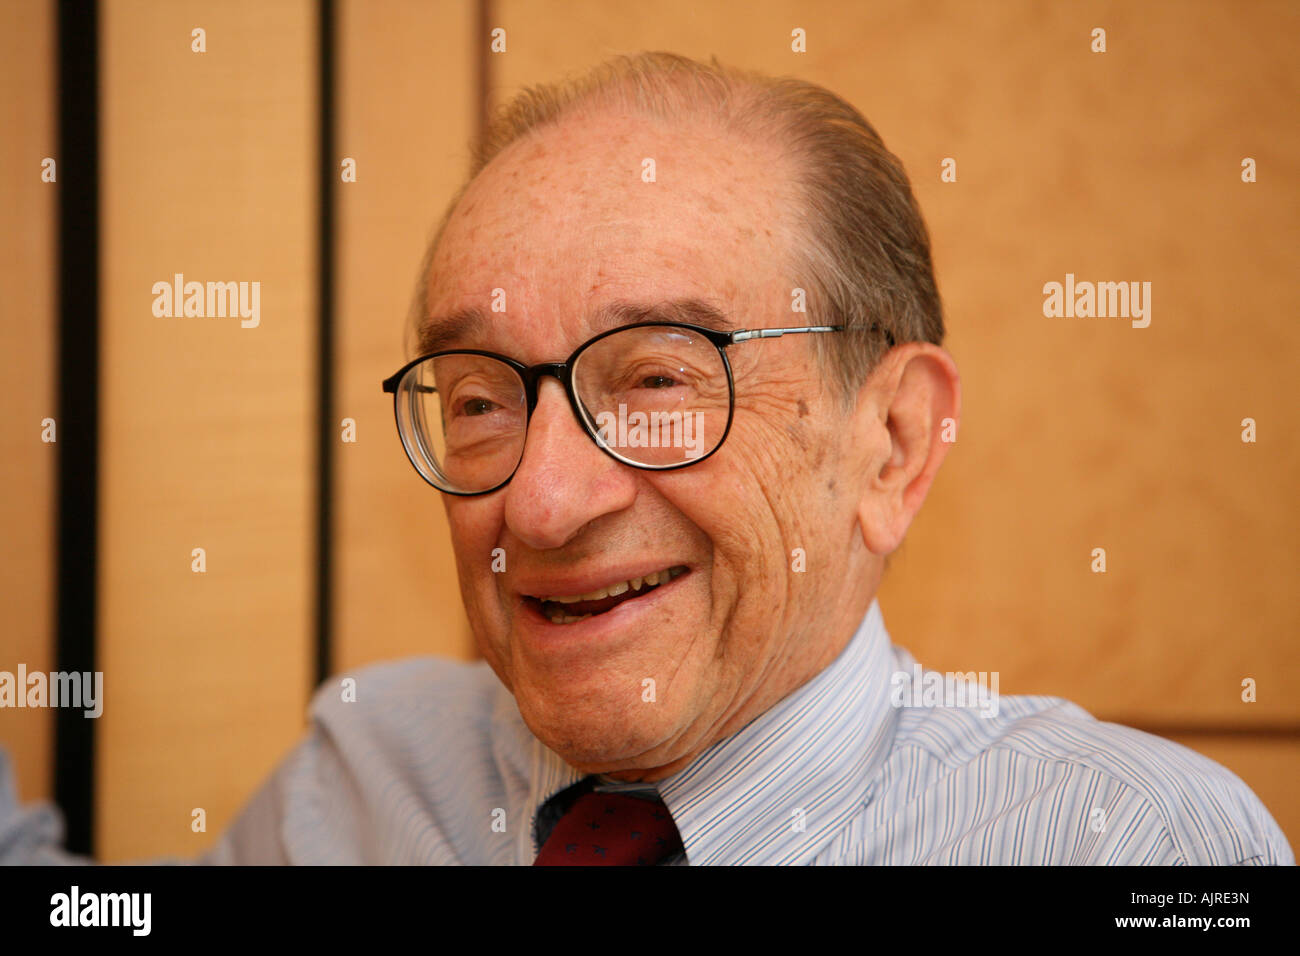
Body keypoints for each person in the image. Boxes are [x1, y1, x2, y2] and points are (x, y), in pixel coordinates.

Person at [3, 52, 1290, 866]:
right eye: (480, 398)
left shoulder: (1127, 846)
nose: (543, 500)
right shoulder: (366, 770)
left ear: (891, 446)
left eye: (661, 378)